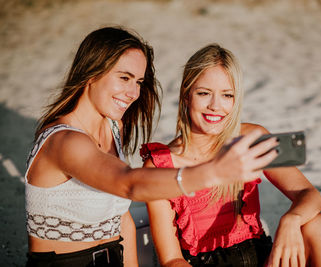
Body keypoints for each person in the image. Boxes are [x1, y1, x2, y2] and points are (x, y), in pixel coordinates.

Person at [24, 27, 279, 267]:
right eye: (124, 78)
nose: (133, 93)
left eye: (138, 81)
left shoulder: (113, 127)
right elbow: (129, 184)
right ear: (91, 71)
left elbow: (120, 219)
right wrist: (212, 173)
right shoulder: (65, 141)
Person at [142, 44, 321, 267]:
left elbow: (309, 194)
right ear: (186, 95)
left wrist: (291, 220)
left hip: (260, 258)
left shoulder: (252, 138)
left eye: (227, 95)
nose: (215, 106)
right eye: (204, 93)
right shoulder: (159, 167)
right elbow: (171, 259)